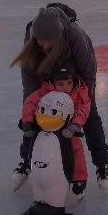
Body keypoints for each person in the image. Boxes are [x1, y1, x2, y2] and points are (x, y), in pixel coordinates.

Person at [11, 3, 108, 190]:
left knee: (89, 115)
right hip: (49, 73)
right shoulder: (33, 39)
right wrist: (29, 109)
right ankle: (26, 163)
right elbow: (30, 81)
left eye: (48, 40)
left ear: (57, 37)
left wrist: (83, 101)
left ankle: (102, 166)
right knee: (37, 114)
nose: (43, 44)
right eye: (40, 40)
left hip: (78, 74)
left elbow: (88, 74)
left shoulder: (75, 37)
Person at [16, 65, 90, 194]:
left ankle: (79, 178)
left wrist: (75, 125)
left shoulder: (79, 92)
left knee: (76, 148)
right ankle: (29, 165)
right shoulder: (46, 90)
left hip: (68, 129)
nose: (65, 88)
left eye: (69, 83)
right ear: (53, 83)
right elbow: (30, 102)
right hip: (46, 127)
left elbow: (83, 108)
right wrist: (27, 122)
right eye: (60, 84)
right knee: (37, 145)